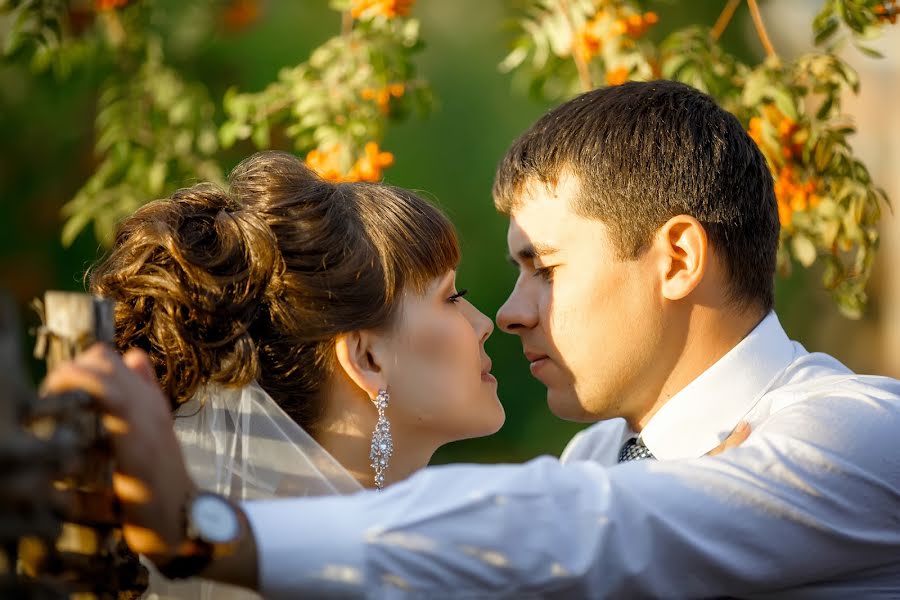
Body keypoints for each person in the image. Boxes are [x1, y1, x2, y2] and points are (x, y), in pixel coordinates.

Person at [44, 80, 900, 598]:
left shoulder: (855, 433)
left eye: (547, 268)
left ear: (676, 257)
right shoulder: (594, 458)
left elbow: (582, 531)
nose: (511, 312)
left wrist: (205, 532)